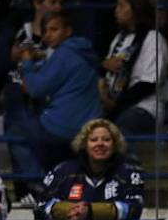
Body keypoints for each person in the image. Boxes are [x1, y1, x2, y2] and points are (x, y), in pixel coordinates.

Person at [14, 11, 103, 174]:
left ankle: (35, 183)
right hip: (88, 123)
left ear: (68, 31)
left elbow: (35, 89)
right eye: (46, 31)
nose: (48, 36)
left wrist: (26, 63)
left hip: (64, 126)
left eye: (54, 30)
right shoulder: (82, 50)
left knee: (16, 129)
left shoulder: (64, 54)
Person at [1, 0, 65, 204]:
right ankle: (34, 189)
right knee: (18, 131)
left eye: (59, 2)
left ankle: (40, 189)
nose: (57, 6)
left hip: (48, 101)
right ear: (37, 4)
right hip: (20, 98)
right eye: (52, 1)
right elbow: (7, 60)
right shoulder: (23, 31)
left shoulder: (62, 37)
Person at [34, 119, 144, 220]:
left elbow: (133, 208)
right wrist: (69, 211)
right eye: (93, 140)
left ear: (115, 144)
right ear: (84, 144)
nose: (100, 144)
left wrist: (89, 211)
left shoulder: (128, 174)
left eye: (106, 140)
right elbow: (41, 203)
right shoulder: (63, 171)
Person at [100, 0, 168, 139]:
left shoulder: (154, 39)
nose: (116, 10)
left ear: (135, 10)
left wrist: (116, 104)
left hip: (143, 107)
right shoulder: (119, 38)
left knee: (123, 126)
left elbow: (148, 84)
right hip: (113, 104)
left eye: (121, 6)